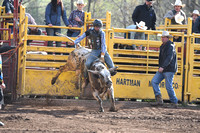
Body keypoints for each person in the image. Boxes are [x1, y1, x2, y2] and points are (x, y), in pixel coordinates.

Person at [151, 31, 178, 106]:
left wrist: (162, 67)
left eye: (163, 37)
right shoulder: (164, 46)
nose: (162, 38)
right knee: (154, 81)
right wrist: (161, 67)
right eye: (162, 37)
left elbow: (169, 58)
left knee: (168, 86)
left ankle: (174, 102)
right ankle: (160, 100)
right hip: (165, 68)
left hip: (168, 69)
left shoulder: (170, 46)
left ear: (167, 38)